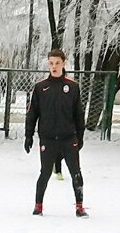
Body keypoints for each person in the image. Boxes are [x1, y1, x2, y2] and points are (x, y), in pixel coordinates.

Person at [25, 49, 87, 217]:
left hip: (68, 138)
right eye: (51, 63)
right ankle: (38, 206)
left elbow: (78, 114)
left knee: (76, 172)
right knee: (45, 173)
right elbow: (32, 113)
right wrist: (28, 135)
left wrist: (80, 136)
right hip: (48, 138)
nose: (54, 66)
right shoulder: (40, 87)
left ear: (63, 64)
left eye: (57, 63)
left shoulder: (72, 87)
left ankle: (79, 207)